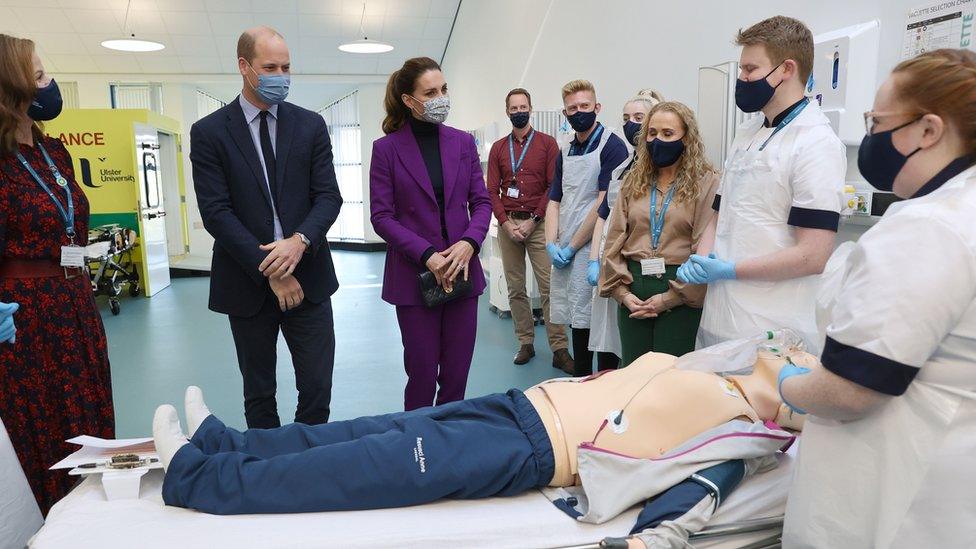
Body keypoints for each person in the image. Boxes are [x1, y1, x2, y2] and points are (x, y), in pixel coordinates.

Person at [152, 344, 806, 548]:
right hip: (523, 402)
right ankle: (230, 441)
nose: (790, 345)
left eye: (803, 353)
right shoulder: (719, 365)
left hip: (533, 452)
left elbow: (702, 493)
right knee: (370, 428)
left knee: (365, 466)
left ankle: (199, 478)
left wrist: (643, 540)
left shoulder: (749, 435)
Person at [778, 48, 976, 548]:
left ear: (929, 130)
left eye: (876, 122)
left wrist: (789, 385)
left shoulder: (930, 227)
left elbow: (852, 390)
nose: (871, 137)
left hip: (894, 485)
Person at [191, 26, 342, 429]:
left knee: (317, 387)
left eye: (287, 66)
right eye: (270, 67)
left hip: (309, 277)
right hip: (247, 284)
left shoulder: (310, 126)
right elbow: (216, 212)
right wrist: (273, 270)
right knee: (259, 395)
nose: (281, 75)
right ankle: (267, 473)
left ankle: (308, 464)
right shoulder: (209, 133)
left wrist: (298, 242)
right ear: (244, 67)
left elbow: (328, 197)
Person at [677, 16, 845, 352]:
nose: (742, 79)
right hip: (720, 316)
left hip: (772, 327)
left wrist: (730, 269)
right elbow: (719, 212)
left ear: (786, 69)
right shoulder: (747, 133)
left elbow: (813, 255)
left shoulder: (816, 143)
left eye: (750, 70)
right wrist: (703, 256)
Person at [0, 34, 115, 513]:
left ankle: (93, 518)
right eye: (40, 76)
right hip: (23, 318)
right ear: (13, 85)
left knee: (86, 415)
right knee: (41, 429)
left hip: (74, 305)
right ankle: (50, 526)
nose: (50, 86)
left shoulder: (56, 153)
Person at [369, 57, 492, 411]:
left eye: (444, 89)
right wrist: (427, 254)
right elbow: (382, 216)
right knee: (421, 373)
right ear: (410, 100)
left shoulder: (462, 142)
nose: (441, 97)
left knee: (456, 375)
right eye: (431, 92)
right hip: (415, 276)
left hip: (462, 271)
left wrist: (470, 242)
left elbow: (481, 202)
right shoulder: (387, 150)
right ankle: (417, 448)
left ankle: (447, 449)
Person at [599, 102, 720, 367]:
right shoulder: (635, 179)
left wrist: (668, 299)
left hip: (680, 292)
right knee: (633, 371)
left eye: (668, 134)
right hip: (633, 287)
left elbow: (704, 248)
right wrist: (622, 293)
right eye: (652, 133)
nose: (657, 140)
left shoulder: (706, 181)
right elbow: (615, 237)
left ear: (686, 137)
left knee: (670, 376)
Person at [546, 79, 630, 376]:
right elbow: (554, 200)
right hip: (566, 248)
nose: (579, 112)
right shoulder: (565, 150)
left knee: (600, 323)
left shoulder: (613, 146)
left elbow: (603, 204)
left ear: (597, 107)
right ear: (565, 112)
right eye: (573, 108)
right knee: (576, 320)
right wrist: (551, 243)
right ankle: (581, 380)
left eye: (584, 106)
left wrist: (572, 247)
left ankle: (603, 387)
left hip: (593, 248)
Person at [486, 88, 572, 371]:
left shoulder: (548, 145)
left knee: (549, 287)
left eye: (524, 106)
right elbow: (491, 191)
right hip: (508, 224)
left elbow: (552, 187)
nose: (519, 111)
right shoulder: (498, 147)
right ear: (507, 111)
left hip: (538, 225)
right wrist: (506, 222)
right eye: (514, 108)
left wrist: (533, 220)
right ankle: (525, 342)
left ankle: (559, 348)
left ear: (530, 108)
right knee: (515, 287)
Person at [586, 89, 662, 369]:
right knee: (607, 336)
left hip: (639, 262)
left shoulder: (663, 168)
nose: (632, 123)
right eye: (626, 117)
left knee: (635, 345)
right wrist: (595, 260)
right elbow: (603, 214)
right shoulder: (621, 168)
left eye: (639, 117)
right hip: (611, 262)